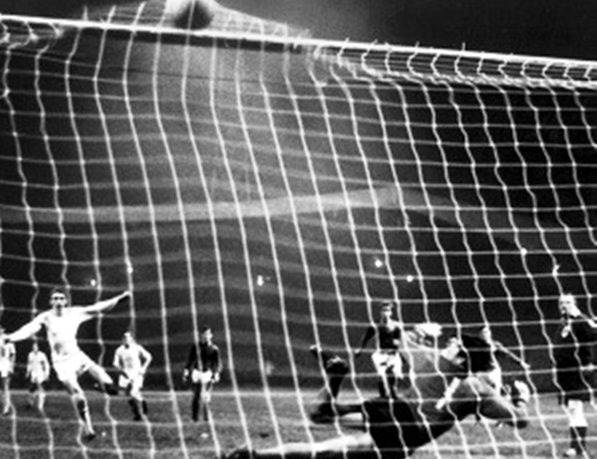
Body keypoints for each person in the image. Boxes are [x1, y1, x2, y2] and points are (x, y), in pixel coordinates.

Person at [226, 333, 531, 459]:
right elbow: (520, 421)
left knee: (322, 419)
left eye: (452, 345)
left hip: (392, 408)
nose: (447, 347)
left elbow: (401, 336)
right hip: (406, 431)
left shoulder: (429, 358)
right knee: (327, 450)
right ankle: (253, 456)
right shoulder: (479, 391)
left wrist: (417, 333)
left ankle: (334, 379)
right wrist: (521, 397)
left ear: (462, 355)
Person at [6, 286, 131, 441]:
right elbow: (29, 329)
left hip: (77, 356)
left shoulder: (75, 313)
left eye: (61, 298)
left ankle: (103, 387)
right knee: (79, 396)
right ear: (51, 301)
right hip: (61, 364)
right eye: (55, 298)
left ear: (66, 301)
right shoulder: (46, 317)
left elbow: (98, 308)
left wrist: (120, 299)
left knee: (108, 382)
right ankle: (89, 429)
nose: (58, 301)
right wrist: (11, 337)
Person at [554, 293, 597, 458]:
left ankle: (578, 448)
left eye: (568, 302)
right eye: (561, 302)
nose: (564, 305)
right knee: (572, 409)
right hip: (565, 373)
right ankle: (576, 447)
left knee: (575, 407)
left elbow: (593, 333)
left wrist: (579, 315)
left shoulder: (579, 321)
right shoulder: (564, 322)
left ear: (575, 304)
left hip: (578, 372)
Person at [355, 301, 405, 398]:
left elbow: (400, 341)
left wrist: (401, 353)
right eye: (383, 310)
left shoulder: (397, 325)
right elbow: (366, 337)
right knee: (381, 374)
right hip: (381, 354)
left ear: (391, 312)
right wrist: (360, 349)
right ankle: (382, 396)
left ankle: (393, 395)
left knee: (393, 374)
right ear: (380, 312)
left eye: (388, 310)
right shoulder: (376, 325)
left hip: (393, 354)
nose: (385, 312)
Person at [183, 326, 221, 423]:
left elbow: (217, 363)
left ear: (211, 335)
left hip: (207, 373)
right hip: (197, 373)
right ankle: (194, 418)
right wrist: (186, 372)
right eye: (204, 334)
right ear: (201, 335)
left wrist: (216, 373)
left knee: (206, 396)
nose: (206, 336)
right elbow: (190, 360)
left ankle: (207, 417)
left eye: (207, 334)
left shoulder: (214, 349)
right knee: (196, 395)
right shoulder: (195, 347)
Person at [478, 325, 530, 394]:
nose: (485, 334)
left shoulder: (495, 344)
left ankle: (503, 392)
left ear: (490, 333)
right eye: (483, 333)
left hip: (493, 372)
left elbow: (507, 354)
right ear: (479, 334)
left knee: (496, 391)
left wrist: (520, 362)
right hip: (480, 372)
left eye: (486, 332)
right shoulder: (475, 345)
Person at [113, 331, 152, 421]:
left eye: (128, 338)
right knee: (128, 395)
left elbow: (149, 357)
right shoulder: (119, 350)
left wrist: (143, 368)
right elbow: (115, 363)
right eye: (124, 338)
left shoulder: (137, 347)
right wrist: (120, 369)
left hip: (137, 373)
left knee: (133, 392)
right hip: (126, 374)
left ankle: (142, 409)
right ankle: (138, 412)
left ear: (131, 339)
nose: (126, 340)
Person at [25, 342, 50, 411]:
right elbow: (29, 364)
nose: (34, 348)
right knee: (32, 389)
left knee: (40, 388)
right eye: (33, 347)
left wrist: (46, 374)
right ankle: (30, 403)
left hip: (40, 373)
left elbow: (45, 364)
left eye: (35, 347)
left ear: (38, 347)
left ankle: (40, 405)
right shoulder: (30, 355)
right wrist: (28, 372)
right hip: (33, 374)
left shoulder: (42, 355)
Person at [0, 327, 16, 415]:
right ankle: (4, 404)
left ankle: (6, 407)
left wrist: (11, 367)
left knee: (5, 386)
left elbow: (13, 354)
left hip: (5, 365)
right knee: (2, 388)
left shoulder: (8, 339)